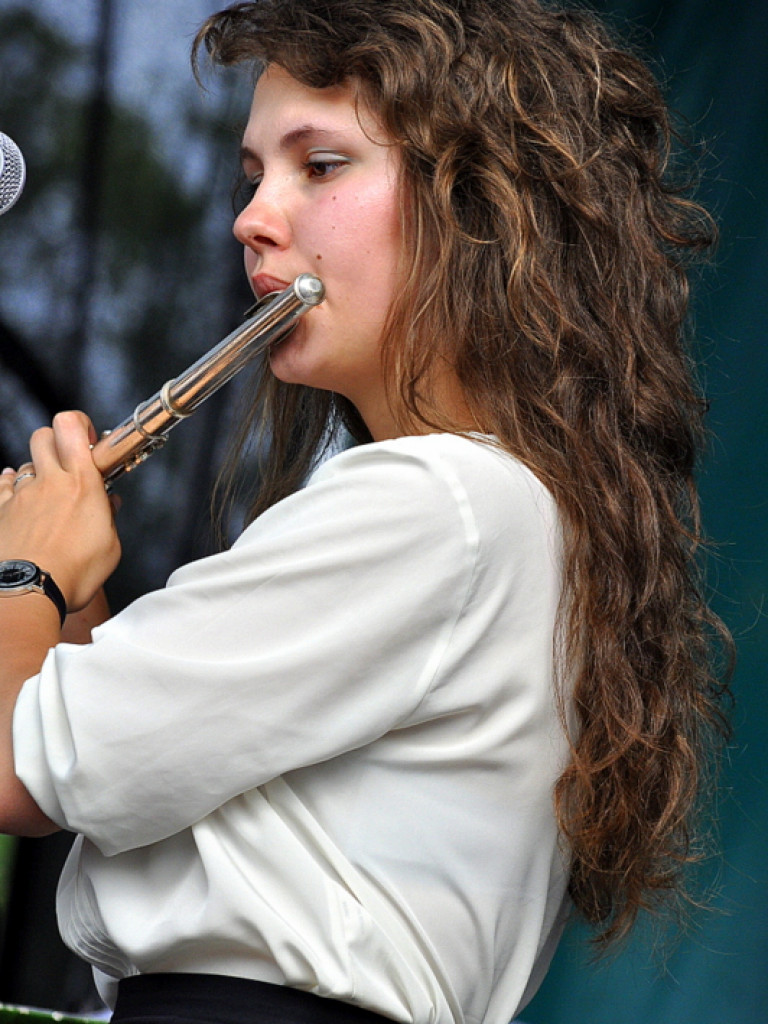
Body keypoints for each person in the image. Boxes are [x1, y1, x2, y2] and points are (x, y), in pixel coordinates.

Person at [0, 1, 732, 1023]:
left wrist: (19, 574)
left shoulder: (443, 501)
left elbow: (21, 768)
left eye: (322, 165)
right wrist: (69, 598)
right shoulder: (494, 510)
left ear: (480, 205)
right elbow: (138, 755)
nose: (252, 218)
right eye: (255, 175)